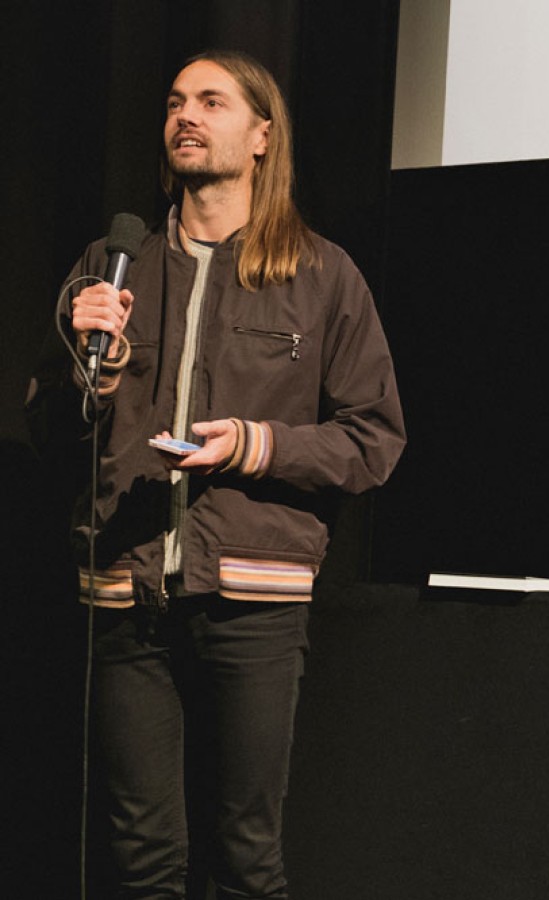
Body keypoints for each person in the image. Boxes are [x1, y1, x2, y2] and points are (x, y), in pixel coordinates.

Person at [28, 50, 406, 898]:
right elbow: (50, 435)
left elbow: (375, 440)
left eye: (211, 101)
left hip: (253, 603)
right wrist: (101, 372)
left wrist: (254, 444)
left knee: (245, 855)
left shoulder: (320, 274)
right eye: (173, 102)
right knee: (140, 859)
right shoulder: (111, 266)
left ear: (263, 135)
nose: (185, 115)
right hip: (124, 598)